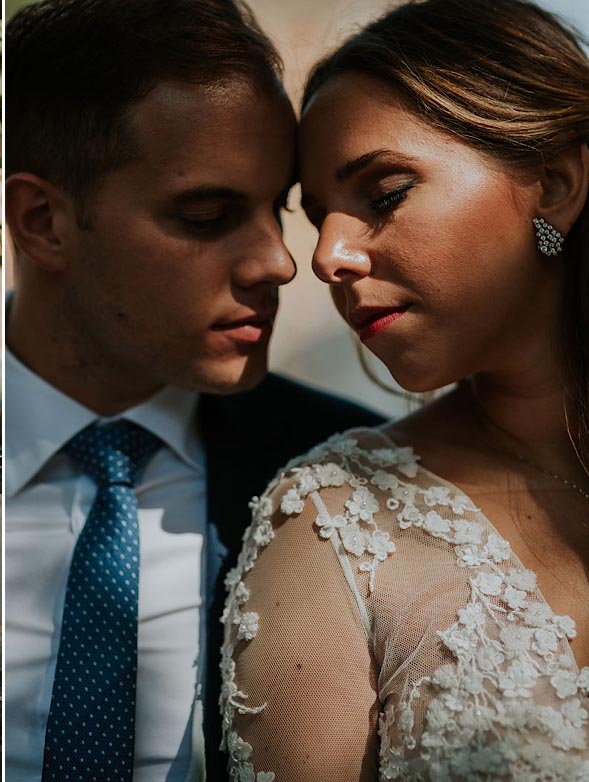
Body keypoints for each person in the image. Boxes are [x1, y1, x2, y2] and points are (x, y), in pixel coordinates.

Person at [3, 1, 383, 779]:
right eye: (207, 215)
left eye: (277, 209)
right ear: (41, 221)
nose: (278, 263)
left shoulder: (352, 474)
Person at [219, 0, 589, 778]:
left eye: (382, 194)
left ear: (553, 183)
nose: (324, 259)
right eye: (317, 217)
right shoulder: (332, 520)